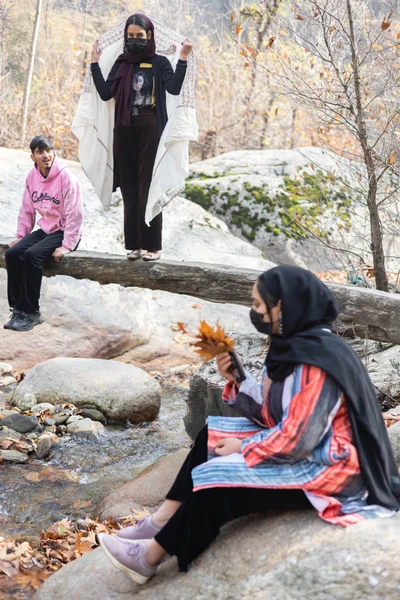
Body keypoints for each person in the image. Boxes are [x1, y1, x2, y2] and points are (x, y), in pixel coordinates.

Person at [98, 265, 400, 584]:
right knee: (209, 438)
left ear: (282, 306)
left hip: (333, 468)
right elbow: (276, 415)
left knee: (218, 482)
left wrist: (243, 447)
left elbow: (299, 439)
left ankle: (148, 557)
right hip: (308, 450)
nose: (253, 312)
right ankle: (162, 520)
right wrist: (238, 380)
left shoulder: (316, 362)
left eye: (257, 305)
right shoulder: (291, 343)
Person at [90, 13, 193, 262]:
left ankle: (153, 246)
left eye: (140, 36)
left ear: (149, 36)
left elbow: (174, 88)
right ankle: (134, 245)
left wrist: (182, 59)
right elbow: (106, 94)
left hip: (150, 128)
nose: (135, 40)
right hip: (124, 129)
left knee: (148, 185)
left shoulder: (159, 63)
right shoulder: (121, 63)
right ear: (126, 37)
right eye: (131, 36)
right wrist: (94, 64)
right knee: (129, 187)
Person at [4, 135, 83, 332]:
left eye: (48, 150)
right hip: (46, 229)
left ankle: (32, 312)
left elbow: (75, 213)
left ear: (53, 152)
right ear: (33, 157)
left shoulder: (66, 177)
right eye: (40, 152)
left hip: (64, 231)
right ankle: (18, 309)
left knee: (32, 255)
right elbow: (27, 209)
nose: (45, 155)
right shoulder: (32, 176)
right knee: (12, 254)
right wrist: (21, 236)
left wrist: (67, 246)